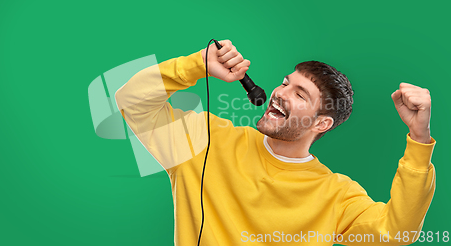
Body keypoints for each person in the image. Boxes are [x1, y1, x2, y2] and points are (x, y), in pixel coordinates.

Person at [115, 40, 436, 245]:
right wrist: (197, 64)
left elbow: (397, 233)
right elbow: (130, 99)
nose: (280, 93)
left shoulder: (336, 194)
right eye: (285, 83)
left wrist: (419, 139)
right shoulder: (206, 140)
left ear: (322, 123)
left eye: (299, 94)